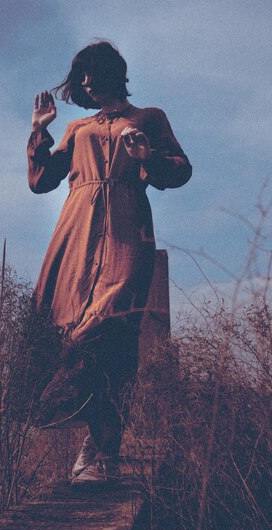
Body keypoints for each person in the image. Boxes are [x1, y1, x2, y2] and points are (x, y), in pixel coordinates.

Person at [27, 40, 192, 487]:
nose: (84, 82)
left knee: (112, 330)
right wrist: (40, 129)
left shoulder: (149, 119)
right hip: (75, 233)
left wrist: (146, 157)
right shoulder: (77, 127)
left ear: (114, 73)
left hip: (126, 231)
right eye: (79, 76)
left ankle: (103, 451)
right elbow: (41, 181)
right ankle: (98, 443)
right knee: (66, 332)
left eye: (91, 72)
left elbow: (181, 169)